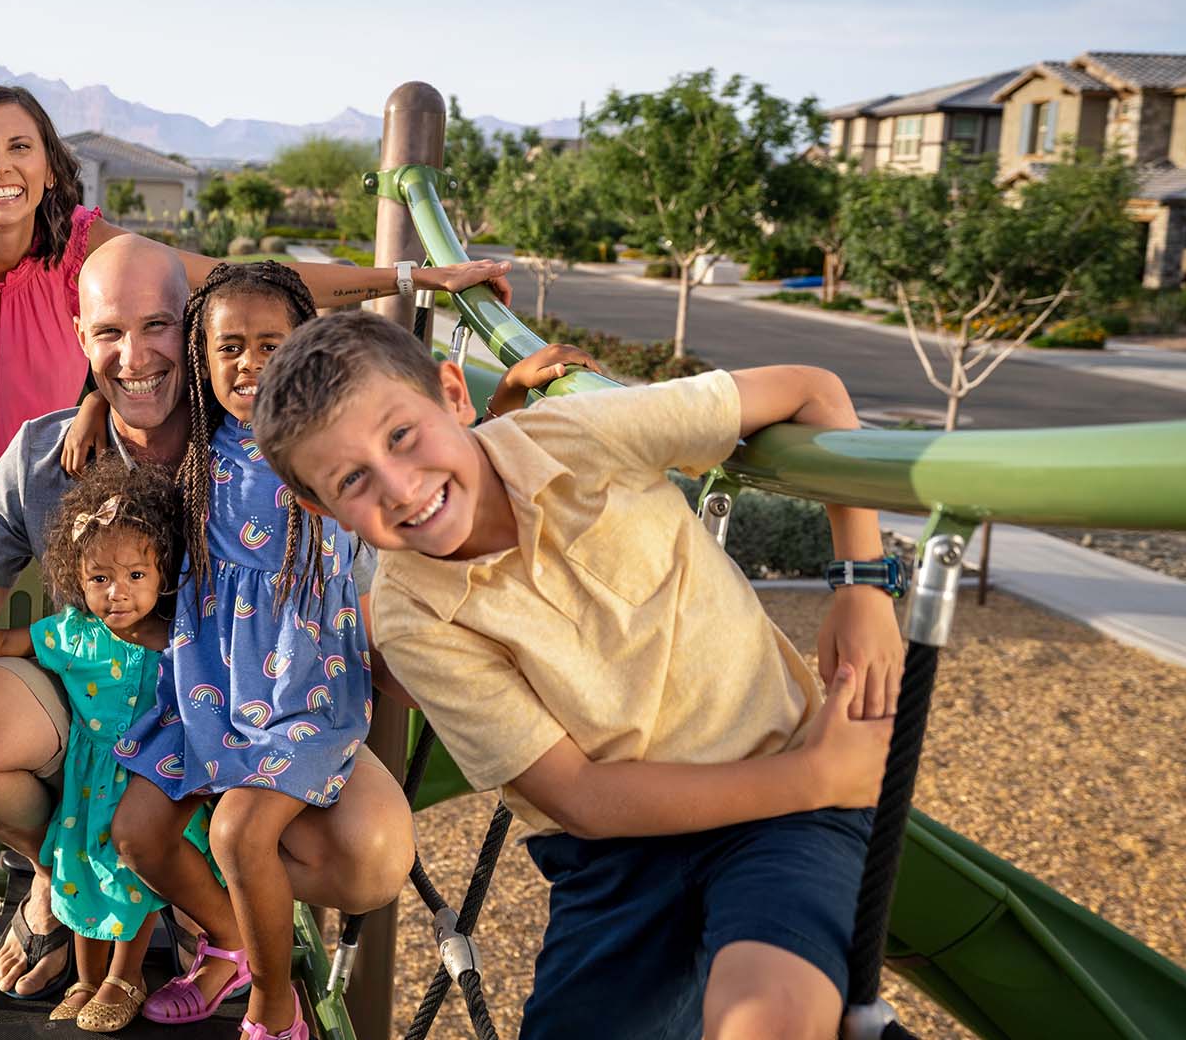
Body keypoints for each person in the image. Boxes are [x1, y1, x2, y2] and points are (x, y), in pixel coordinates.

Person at [251, 312, 906, 1040]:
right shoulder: (412, 619)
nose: (401, 488)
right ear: (320, 508)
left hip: (778, 806)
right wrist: (823, 777)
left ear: (453, 394)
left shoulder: (581, 433)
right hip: (620, 855)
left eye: (402, 435)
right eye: (353, 479)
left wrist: (862, 585)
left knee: (768, 1017)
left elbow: (813, 391)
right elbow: (582, 797)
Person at [0, 238, 417, 1002]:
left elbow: (364, 566)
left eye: (158, 326)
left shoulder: (258, 442)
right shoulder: (46, 455)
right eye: (108, 333)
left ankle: (208, 904)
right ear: (81, 338)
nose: (134, 356)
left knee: (372, 855)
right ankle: (67, 878)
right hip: (105, 724)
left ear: (190, 336)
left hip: (255, 710)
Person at [0, 84, 510, 639]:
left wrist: (414, 278)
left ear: (48, 165)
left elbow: (238, 275)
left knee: (68, 668)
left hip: (37, 491)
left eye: (19, 146)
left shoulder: (79, 247)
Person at [96, 263, 377, 1039]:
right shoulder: (200, 437)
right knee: (138, 833)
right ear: (201, 355)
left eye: (270, 345)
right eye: (230, 348)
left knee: (236, 832)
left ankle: (273, 1006)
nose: (249, 365)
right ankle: (232, 941)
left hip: (300, 694)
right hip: (208, 683)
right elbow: (128, 381)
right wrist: (94, 404)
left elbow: (430, 439)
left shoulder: (328, 443)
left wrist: (510, 398)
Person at [0, 456, 205, 1031]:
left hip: (151, 783)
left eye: (134, 576)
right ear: (78, 580)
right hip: (88, 785)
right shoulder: (75, 634)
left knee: (134, 881)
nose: (117, 593)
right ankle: (85, 978)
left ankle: (125, 977)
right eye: (99, 579)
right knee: (77, 878)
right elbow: (11, 638)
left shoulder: (180, 641)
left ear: (163, 574)